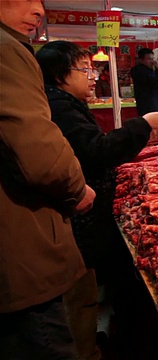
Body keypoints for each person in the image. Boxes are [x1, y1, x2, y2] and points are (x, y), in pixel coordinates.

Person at [35, 40, 158, 360]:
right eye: (85, 69)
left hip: (85, 215)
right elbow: (98, 151)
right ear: (59, 75)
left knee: (91, 289)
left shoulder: (61, 102)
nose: (93, 76)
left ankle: (98, 341)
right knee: (86, 292)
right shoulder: (60, 108)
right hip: (81, 215)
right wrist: (143, 125)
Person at [0, 1, 96, 359]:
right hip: (21, 247)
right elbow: (38, 153)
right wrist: (77, 188)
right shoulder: (7, 50)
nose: (38, 9)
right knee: (45, 341)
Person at [130, 47, 158, 116]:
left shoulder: (149, 70)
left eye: (152, 59)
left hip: (154, 104)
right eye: (149, 59)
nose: (152, 61)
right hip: (149, 107)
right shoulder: (139, 71)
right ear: (141, 60)